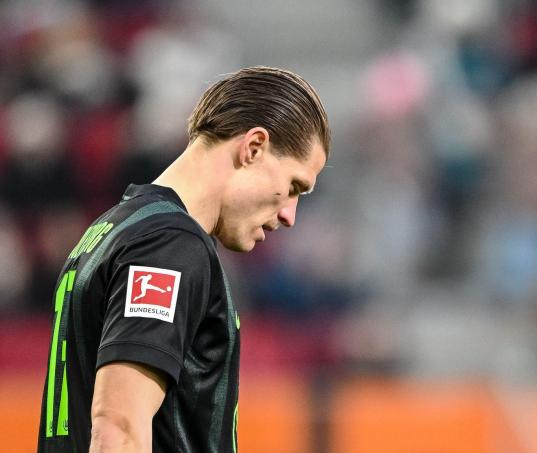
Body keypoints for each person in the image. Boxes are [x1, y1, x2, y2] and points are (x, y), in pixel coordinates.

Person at [37, 66, 330, 452]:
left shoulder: (112, 230)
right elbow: (119, 429)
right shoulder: (168, 246)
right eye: (293, 186)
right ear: (253, 147)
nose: (289, 215)